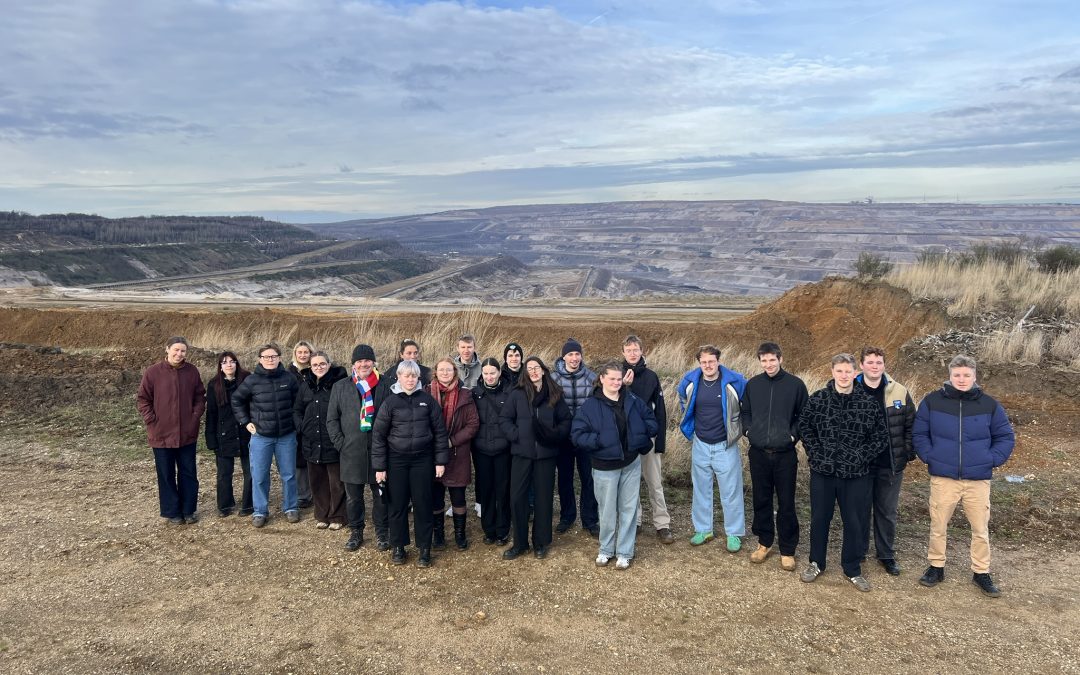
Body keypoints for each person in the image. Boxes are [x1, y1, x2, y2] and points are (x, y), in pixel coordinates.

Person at [914, 355, 1015, 598]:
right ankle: (936, 567)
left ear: (974, 376)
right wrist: (930, 456)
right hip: (944, 477)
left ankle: (981, 572)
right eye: (957, 375)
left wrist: (991, 459)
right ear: (949, 376)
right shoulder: (932, 402)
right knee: (938, 525)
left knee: (980, 529)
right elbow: (919, 433)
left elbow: (1005, 437)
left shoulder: (989, 405)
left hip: (977, 479)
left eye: (966, 375)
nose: (961, 379)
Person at [798, 354, 889, 592]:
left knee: (854, 522)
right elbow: (805, 426)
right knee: (819, 519)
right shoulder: (819, 399)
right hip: (823, 472)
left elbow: (880, 437)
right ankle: (816, 563)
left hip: (855, 475)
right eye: (839, 371)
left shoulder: (867, 403)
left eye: (848, 371)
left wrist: (860, 456)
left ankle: (852, 568)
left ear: (855, 373)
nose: (844, 375)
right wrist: (816, 454)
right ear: (832, 372)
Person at [572, 361, 658, 570]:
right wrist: (598, 441)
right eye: (611, 379)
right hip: (604, 467)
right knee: (607, 511)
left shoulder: (632, 400)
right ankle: (606, 549)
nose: (616, 383)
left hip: (630, 464)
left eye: (619, 379)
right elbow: (577, 434)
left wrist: (640, 437)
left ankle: (625, 552)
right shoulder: (590, 406)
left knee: (629, 509)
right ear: (601, 379)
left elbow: (651, 421)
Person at [372, 360, 450, 568]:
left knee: (423, 504)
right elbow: (378, 436)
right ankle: (398, 547)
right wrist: (380, 467)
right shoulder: (390, 402)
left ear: (418, 378)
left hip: (422, 460)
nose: (410, 379)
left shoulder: (428, 401)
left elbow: (440, 433)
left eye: (413, 376)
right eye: (406, 375)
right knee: (397, 505)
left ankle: (425, 548)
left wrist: (440, 461)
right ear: (398, 377)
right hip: (396, 460)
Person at [740, 342, 808, 571]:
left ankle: (788, 549)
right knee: (761, 499)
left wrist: (792, 436)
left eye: (772, 360)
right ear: (760, 361)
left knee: (786, 502)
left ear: (780, 359)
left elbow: (803, 415)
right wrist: (748, 431)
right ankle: (764, 542)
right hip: (758, 453)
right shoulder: (753, 385)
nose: (768, 364)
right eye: (764, 360)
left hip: (785, 454)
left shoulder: (795, 385)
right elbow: (745, 412)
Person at [499, 356, 572, 560]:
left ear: (543, 370)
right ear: (525, 372)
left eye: (536, 367)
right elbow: (504, 419)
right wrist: (517, 435)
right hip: (522, 454)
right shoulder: (517, 394)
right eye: (529, 368)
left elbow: (566, 420)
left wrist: (555, 435)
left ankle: (541, 542)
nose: (533, 371)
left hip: (546, 455)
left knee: (543, 499)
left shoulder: (555, 394)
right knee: (517, 498)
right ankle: (520, 543)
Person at [677, 345, 747, 552]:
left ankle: (734, 533)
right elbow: (683, 399)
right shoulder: (690, 381)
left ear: (718, 361)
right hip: (700, 443)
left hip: (726, 445)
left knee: (731, 491)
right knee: (701, 489)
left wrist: (738, 425)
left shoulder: (735, 381)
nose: (708, 365)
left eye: (711, 361)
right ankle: (703, 529)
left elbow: (746, 404)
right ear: (699, 363)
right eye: (704, 362)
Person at [855, 346, 915, 576]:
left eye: (878, 362)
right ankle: (859, 551)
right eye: (870, 362)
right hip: (860, 465)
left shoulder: (898, 391)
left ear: (884, 365)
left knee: (887, 512)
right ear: (861, 365)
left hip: (889, 464)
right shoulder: (851, 389)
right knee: (860, 510)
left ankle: (886, 555)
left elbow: (911, 425)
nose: (874, 366)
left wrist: (906, 453)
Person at [326, 344, 391, 552]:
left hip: (379, 452)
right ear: (353, 364)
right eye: (359, 361)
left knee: (381, 495)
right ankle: (356, 532)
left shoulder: (387, 384)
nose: (364, 364)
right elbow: (332, 419)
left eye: (367, 360)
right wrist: (341, 444)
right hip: (351, 452)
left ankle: (382, 532)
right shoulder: (341, 387)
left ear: (374, 362)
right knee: (354, 497)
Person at [137, 336, 206, 525]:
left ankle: (188, 510)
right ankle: (172, 511)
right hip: (161, 433)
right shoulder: (153, 372)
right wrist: (151, 419)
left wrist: (195, 416)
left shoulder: (191, 371)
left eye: (183, 350)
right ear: (167, 349)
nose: (179, 354)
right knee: (166, 474)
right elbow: (143, 399)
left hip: (186, 433)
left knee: (188, 472)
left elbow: (200, 396)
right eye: (176, 349)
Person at [231, 343, 301, 528]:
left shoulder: (289, 378)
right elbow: (236, 399)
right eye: (266, 357)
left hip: (286, 436)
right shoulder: (252, 381)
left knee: (289, 475)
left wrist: (296, 423)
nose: (270, 359)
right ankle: (260, 511)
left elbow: (298, 402)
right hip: (261, 436)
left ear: (279, 358)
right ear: (260, 359)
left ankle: (291, 507)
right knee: (260, 476)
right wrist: (245, 422)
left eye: (274, 356)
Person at [621, 335, 673, 544]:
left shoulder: (651, 376)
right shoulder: (617, 374)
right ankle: (635, 521)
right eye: (629, 350)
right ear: (623, 353)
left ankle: (662, 524)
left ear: (642, 351)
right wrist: (625, 386)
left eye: (636, 349)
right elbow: (613, 403)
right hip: (626, 439)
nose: (632, 353)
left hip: (648, 439)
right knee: (631, 484)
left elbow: (660, 410)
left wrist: (660, 442)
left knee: (654, 483)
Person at [293, 351, 349, 530]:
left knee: (336, 482)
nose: (319, 367)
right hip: (311, 441)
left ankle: (338, 516)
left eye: (322, 364)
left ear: (329, 365)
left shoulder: (339, 385)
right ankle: (322, 515)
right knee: (317, 481)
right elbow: (297, 410)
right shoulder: (305, 386)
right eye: (315, 365)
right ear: (310, 367)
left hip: (332, 440)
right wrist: (302, 427)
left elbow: (346, 411)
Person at [429, 357, 480, 551]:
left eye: (449, 370)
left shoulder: (465, 395)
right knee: (436, 497)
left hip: (458, 453)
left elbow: (473, 424)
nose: (445, 373)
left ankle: (460, 534)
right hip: (433, 453)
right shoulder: (426, 392)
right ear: (435, 372)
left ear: (455, 372)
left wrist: (451, 441)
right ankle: (439, 535)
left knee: (458, 497)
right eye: (441, 370)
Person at [552, 337, 599, 536]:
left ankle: (590, 519)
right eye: (570, 354)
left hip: (585, 437)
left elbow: (598, 405)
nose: (574, 358)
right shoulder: (553, 379)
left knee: (589, 478)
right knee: (565, 478)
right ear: (563, 357)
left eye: (577, 354)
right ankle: (567, 516)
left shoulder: (591, 378)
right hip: (563, 438)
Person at [204, 351, 252, 518]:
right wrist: (211, 439)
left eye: (232, 361)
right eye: (224, 362)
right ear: (220, 366)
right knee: (224, 474)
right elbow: (211, 413)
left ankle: (249, 504)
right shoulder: (214, 385)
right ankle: (225, 505)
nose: (229, 365)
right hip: (224, 435)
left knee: (250, 472)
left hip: (246, 432)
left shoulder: (247, 380)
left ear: (237, 363)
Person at [472, 357, 513, 545]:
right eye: (486, 373)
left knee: (503, 491)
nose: (489, 377)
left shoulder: (509, 392)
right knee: (486, 490)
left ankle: (503, 530)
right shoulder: (475, 394)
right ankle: (489, 529)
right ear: (482, 374)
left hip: (503, 450)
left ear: (499, 373)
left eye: (493, 373)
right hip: (481, 451)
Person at [288, 341, 316, 509]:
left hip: (315, 419)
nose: (303, 355)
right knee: (299, 460)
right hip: (297, 420)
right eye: (300, 352)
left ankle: (317, 492)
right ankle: (303, 495)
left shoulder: (316, 370)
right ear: (295, 354)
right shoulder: (289, 373)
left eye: (306, 352)